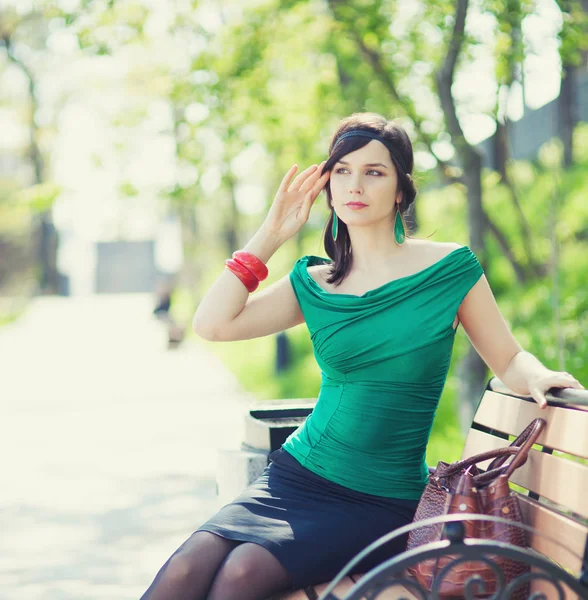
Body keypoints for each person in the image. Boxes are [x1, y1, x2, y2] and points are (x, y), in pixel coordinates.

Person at [139, 112, 584, 600]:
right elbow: (212, 323)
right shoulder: (316, 283)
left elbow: (509, 358)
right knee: (185, 570)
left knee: (242, 575)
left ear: (400, 190)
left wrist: (538, 374)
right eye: (343, 171)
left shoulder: (448, 269)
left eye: (375, 172)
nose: (356, 184)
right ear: (328, 187)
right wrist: (271, 233)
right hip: (297, 475)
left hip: (380, 499)